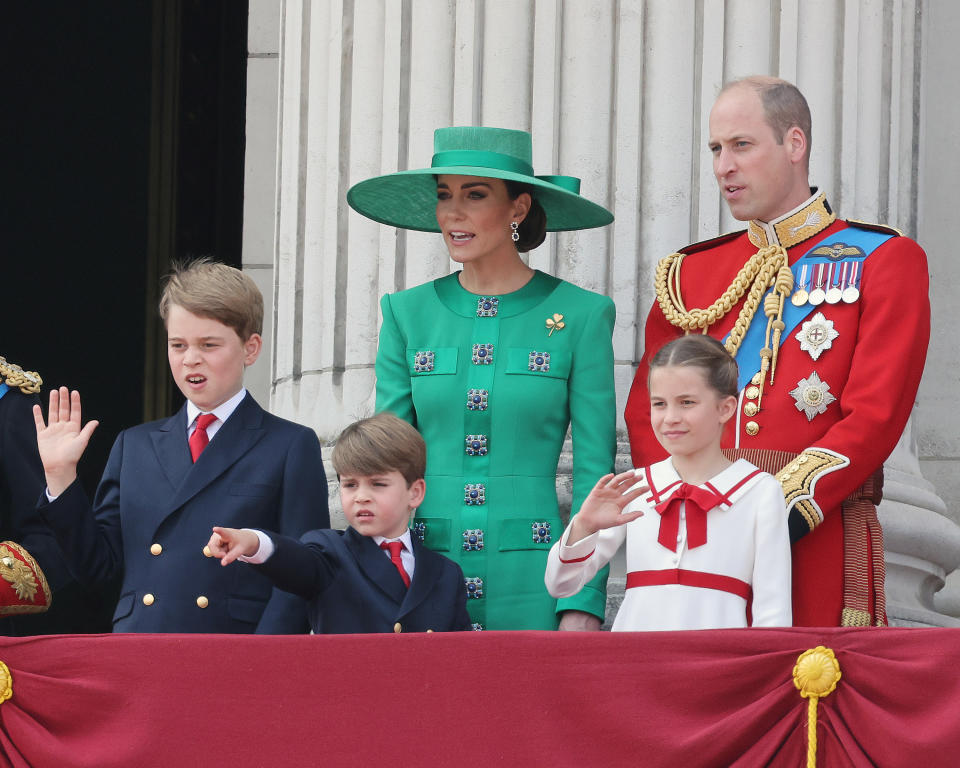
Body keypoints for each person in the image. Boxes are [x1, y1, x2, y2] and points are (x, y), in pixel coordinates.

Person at [624, 76, 930, 627]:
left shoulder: (882, 258)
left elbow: (875, 415)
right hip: (692, 532)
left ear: (795, 144)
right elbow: (648, 408)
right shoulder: (690, 273)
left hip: (810, 532)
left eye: (742, 145)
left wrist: (766, 509)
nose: (723, 167)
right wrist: (689, 500)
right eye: (716, 149)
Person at [348, 127, 616, 630]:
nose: (453, 212)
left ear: (517, 208)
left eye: (474, 195)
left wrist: (582, 601)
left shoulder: (581, 316)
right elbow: (383, 464)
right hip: (421, 574)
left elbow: (594, 475)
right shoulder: (406, 314)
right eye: (444, 195)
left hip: (537, 573)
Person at [33, 260, 329, 633]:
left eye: (209, 345)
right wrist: (61, 479)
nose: (191, 358)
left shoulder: (289, 445)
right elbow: (100, 571)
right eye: (178, 345)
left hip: (233, 655)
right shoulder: (133, 445)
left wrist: (263, 660)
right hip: (142, 649)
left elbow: (303, 576)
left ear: (250, 349)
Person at [546, 336, 791, 630]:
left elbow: (773, 612)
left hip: (718, 664)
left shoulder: (760, 490)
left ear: (725, 408)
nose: (671, 418)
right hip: (636, 662)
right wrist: (584, 526)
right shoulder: (635, 486)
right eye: (659, 404)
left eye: (687, 402)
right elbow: (561, 584)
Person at [206, 412, 471, 633]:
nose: (361, 497)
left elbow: (459, 656)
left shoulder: (445, 574)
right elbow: (296, 562)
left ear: (415, 493)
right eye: (350, 485)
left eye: (378, 484)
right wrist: (253, 542)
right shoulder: (329, 552)